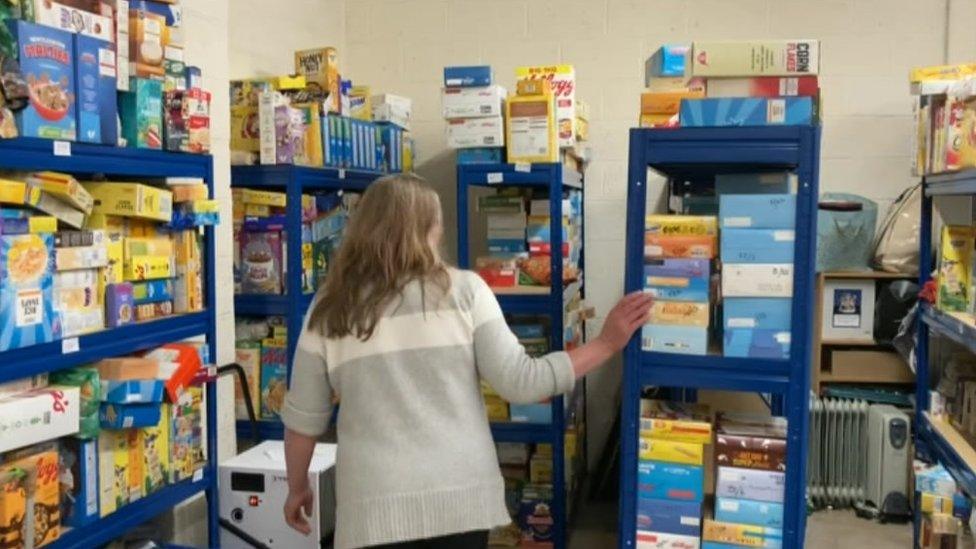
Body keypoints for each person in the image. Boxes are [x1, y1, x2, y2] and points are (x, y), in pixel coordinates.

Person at [281, 174, 652, 549]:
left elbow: (303, 419)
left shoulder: (329, 308)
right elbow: (522, 382)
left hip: (372, 507)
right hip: (460, 499)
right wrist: (606, 343)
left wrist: (297, 488)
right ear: (431, 228)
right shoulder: (465, 291)